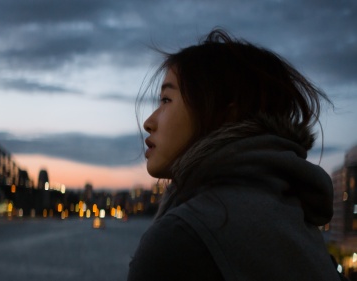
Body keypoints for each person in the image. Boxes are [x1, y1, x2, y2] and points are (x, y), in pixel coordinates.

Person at [128, 29, 342, 280]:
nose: (149, 122)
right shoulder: (297, 225)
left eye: (166, 99)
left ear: (226, 114)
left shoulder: (184, 237)